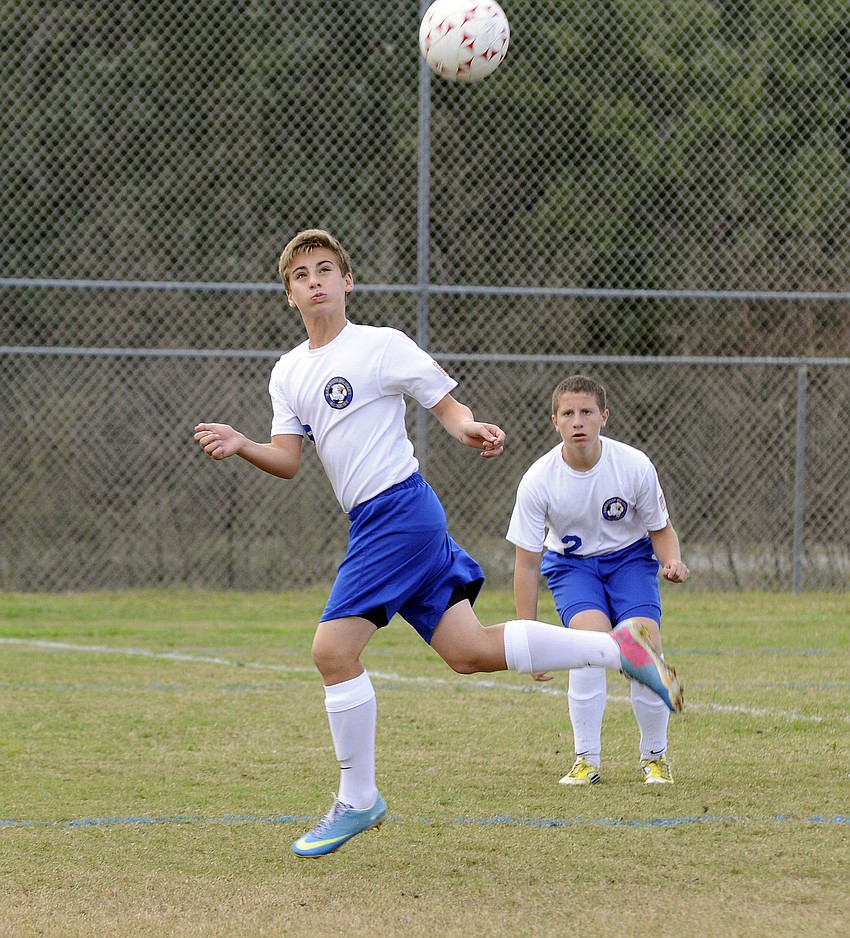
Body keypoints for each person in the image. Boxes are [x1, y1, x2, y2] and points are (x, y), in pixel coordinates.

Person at [194, 230, 683, 858]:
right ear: (289, 295)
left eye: (325, 269)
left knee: (332, 652)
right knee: (469, 650)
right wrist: (244, 446)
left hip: (398, 511)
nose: (314, 280)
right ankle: (617, 651)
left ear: (348, 282)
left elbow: (443, 404)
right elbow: (288, 461)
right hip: (382, 521)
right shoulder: (288, 371)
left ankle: (358, 798)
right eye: (300, 275)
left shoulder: (381, 346)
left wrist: (467, 427)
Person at [506, 374, 690, 787]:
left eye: (586, 412)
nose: (578, 421)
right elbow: (527, 563)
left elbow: (661, 529)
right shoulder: (538, 480)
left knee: (644, 642)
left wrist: (672, 561)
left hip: (629, 561)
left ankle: (655, 760)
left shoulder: (634, 465)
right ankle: (586, 761)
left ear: (603, 417)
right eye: (568, 413)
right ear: (555, 421)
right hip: (572, 568)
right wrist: (529, 635)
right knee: (589, 647)